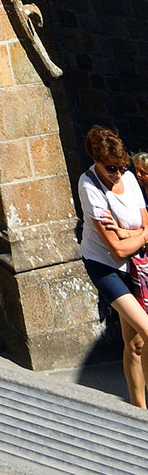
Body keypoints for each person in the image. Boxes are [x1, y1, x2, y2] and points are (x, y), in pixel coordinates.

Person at [77, 125, 148, 407]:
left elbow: (144, 222)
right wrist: (139, 236)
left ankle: (138, 408)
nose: (118, 174)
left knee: (136, 343)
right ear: (96, 160)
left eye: (122, 167)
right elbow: (116, 248)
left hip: (136, 265)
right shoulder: (88, 185)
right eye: (111, 168)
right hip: (105, 267)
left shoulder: (128, 178)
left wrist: (128, 233)